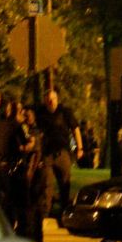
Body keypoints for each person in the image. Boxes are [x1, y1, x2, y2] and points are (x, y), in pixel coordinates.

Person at [35, 89, 83, 224]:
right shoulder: (40, 113)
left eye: (53, 98)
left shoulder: (65, 112)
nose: (51, 101)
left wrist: (80, 147)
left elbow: (75, 129)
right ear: (45, 100)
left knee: (64, 184)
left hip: (62, 153)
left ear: (57, 99)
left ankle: (64, 212)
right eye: (48, 99)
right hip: (47, 154)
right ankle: (45, 214)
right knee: (47, 184)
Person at [0, 100, 33, 227]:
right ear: (18, 112)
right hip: (16, 168)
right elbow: (25, 145)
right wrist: (32, 142)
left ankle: (6, 227)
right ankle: (23, 232)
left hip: (1, 167)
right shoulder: (17, 126)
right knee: (22, 202)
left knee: (6, 200)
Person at [22, 108, 47, 242]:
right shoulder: (29, 131)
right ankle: (36, 235)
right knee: (35, 204)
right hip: (35, 170)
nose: (26, 117)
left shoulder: (34, 132)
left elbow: (36, 153)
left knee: (33, 204)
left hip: (35, 172)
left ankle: (35, 235)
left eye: (28, 115)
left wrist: (30, 172)